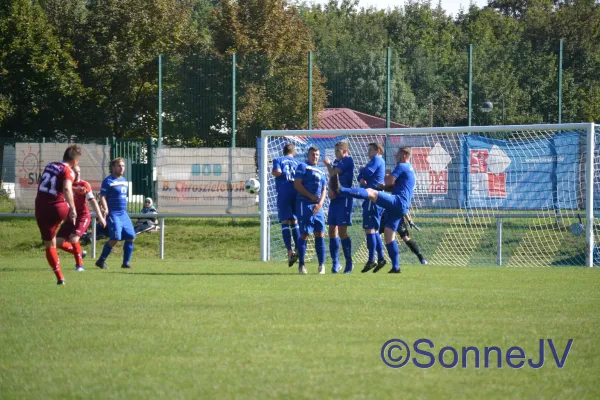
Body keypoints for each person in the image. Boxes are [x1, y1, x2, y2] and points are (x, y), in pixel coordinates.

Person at [332, 147, 415, 273]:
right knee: (388, 236)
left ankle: (341, 189)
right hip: (402, 205)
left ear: (403, 155)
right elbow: (394, 187)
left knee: (371, 192)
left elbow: (388, 181)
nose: (396, 157)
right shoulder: (410, 169)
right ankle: (396, 267)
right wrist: (385, 185)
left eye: (397, 154)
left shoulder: (402, 166)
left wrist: (385, 176)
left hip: (398, 201)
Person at [34, 145, 81, 285]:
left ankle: (60, 276)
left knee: (49, 243)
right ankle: (76, 249)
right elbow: (65, 187)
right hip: (58, 207)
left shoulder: (50, 165)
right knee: (55, 238)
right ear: (75, 160)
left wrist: (72, 188)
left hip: (41, 206)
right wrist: (73, 208)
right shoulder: (69, 171)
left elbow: (51, 184)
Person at [56, 166, 106, 271]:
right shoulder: (66, 184)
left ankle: (79, 266)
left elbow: (92, 201)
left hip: (83, 217)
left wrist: (100, 217)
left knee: (73, 239)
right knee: (58, 242)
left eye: (79, 172)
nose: (78, 174)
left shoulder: (84, 185)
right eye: (75, 172)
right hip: (70, 217)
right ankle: (79, 252)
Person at [95, 158, 136, 269]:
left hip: (123, 214)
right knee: (115, 238)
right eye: (119, 165)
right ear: (113, 167)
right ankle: (101, 260)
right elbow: (102, 196)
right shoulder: (108, 181)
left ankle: (126, 263)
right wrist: (105, 209)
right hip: (114, 214)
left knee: (131, 236)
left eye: (123, 165)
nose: (122, 167)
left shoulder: (123, 180)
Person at [293, 146, 327, 275]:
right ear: (307, 155)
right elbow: (297, 184)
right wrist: (310, 196)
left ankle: (321, 265)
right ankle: (301, 265)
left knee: (320, 233)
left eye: (317, 154)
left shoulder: (321, 171)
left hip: (318, 207)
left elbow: (324, 189)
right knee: (305, 234)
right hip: (304, 204)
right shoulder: (302, 166)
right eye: (313, 154)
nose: (315, 156)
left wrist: (320, 203)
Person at [356, 143, 388, 273]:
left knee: (369, 229)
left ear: (378, 150)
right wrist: (362, 174)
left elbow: (367, 172)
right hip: (377, 198)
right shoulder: (377, 161)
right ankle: (380, 258)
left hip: (372, 197)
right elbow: (362, 177)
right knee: (374, 230)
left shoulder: (377, 159)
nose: (368, 152)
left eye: (370, 149)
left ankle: (371, 259)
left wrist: (361, 170)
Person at [323, 141, 355, 274]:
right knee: (331, 230)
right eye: (335, 151)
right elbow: (332, 178)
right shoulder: (337, 161)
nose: (336, 153)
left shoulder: (348, 161)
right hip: (335, 199)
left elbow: (333, 172)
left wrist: (327, 164)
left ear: (345, 151)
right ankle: (335, 263)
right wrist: (331, 191)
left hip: (344, 198)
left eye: (338, 151)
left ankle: (349, 263)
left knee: (342, 231)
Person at [271, 143, 300, 267]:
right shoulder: (298, 163)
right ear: (293, 152)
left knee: (284, 222)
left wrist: (275, 173)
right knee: (295, 222)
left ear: (283, 152)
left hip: (284, 193)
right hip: (296, 193)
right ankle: (299, 249)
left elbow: (277, 171)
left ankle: (289, 251)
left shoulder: (278, 160)